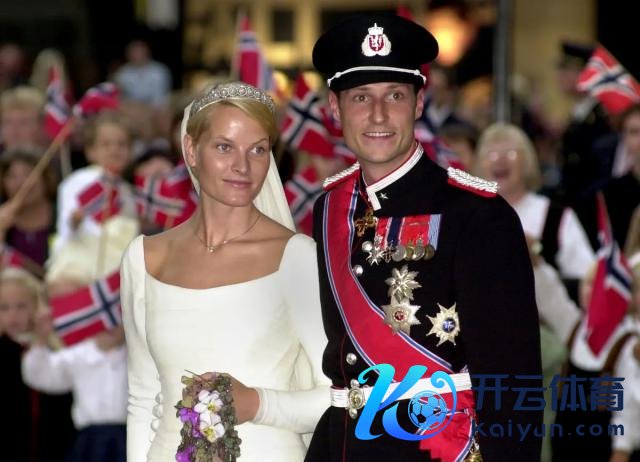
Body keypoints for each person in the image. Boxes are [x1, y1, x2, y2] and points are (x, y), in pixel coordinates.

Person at [307, 13, 542, 461]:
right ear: (335, 107)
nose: (378, 114)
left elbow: (511, 383)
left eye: (395, 95)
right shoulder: (329, 209)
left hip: (438, 448)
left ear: (418, 104)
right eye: (361, 97)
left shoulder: (477, 215)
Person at [121, 81, 330, 461]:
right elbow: (142, 396)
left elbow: (338, 396)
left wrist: (257, 404)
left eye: (258, 150)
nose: (242, 166)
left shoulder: (296, 257)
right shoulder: (144, 257)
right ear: (191, 150)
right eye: (224, 147)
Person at [475, 122, 595, 298]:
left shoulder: (556, 216)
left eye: (510, 153)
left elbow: (587, 278)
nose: (500, 160)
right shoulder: (465, 215)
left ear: (526, 162)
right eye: (491, 154)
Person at [22, 321, 127, 462]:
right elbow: (39, 375)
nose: (108, 325)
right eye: (101, 319)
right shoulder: (78, 355)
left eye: (114, 319)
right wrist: (41, 339)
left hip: (132, 438)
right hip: (90, 442)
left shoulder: (141, 356)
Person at [0, 148, 57, 269]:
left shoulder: (62, 213)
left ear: (45, 178)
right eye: (11, 176)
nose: (21, 183)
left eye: (28, 174)